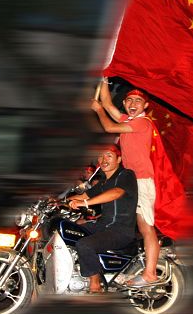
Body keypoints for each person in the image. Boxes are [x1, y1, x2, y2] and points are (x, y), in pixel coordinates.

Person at [92, 82, 160, 286]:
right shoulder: (129, 119)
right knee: (120, 223)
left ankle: (150, 274)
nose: (133, 103)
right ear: (124, 102)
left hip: (142, 181)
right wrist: (104, 80)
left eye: (138, 101)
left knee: (146, 227)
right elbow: (108, 104)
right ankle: (119, 268)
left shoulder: (143, 123)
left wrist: (97, 110)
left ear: (145, 106)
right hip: (130, 181)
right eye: (129, 100)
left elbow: (109, 126)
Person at [68, 145, 138, 293]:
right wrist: (56, 201)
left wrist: (84, 203)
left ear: (119, 159)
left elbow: (116, 192)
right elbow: (84, 195)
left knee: (85, 244)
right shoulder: (104, 182)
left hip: (120, 230)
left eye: (108, 155)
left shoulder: (125, 175)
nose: (103, 159)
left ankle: (95, 285)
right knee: (69, 230)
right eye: (100, 156)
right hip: (104, 225)